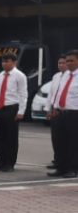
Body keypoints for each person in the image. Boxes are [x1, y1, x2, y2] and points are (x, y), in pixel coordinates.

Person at [0, 53, 27, 172]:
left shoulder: (19, 76)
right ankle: (1, 161)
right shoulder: (1, 75)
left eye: (7, 61)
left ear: (14, 62)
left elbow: (23, 94)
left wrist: (21, 111)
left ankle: (10, 163)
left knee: (10, 137)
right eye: (3, 61)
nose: (5, 64)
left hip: (12, 108)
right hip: (1, 108)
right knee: (0, 136)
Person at [47, 50, 78, 178]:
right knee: (59, 141)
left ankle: (73, 168)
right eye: (67, 61)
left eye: (71, 60)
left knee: (73, 142)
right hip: (59, 113)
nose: (68, 63)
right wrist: (53, 107)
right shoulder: (64, 75)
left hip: (74, 113)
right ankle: (61, 167)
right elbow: (57, 93)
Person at [45, 57, 68, 170]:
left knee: (66, 139)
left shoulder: (71, 77)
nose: (61, 65)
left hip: (67, 111)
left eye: (63, 63)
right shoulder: (56, 76)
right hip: (55, 110)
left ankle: (66, 162)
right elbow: (51, 94)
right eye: (59, 63)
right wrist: (48, 108)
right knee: (56, 138)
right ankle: (57, 160)